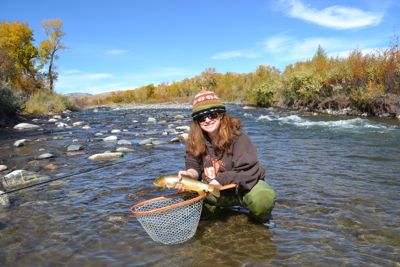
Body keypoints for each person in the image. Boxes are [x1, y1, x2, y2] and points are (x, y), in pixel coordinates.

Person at [177, 90, 276, 225]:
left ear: (221, 115)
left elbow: (250, 171)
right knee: (188, 194)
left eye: (212, 114)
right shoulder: (195, 140)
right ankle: (213, 214)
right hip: (212, 192)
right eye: (201, 117)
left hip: (240, 190)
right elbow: (192, 163)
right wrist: (190, 174)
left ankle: (259, 220)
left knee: (263, 197)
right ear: (197, 122)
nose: (207, 120)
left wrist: (221, 179)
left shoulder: (238, 138)